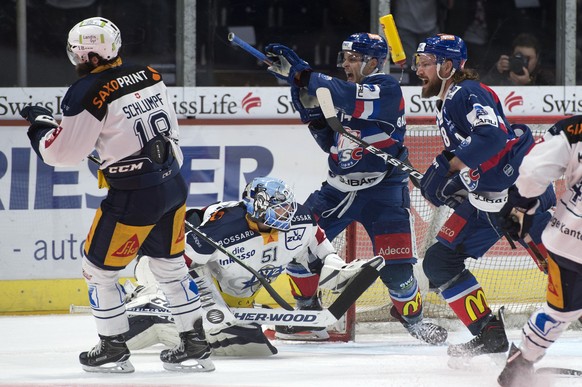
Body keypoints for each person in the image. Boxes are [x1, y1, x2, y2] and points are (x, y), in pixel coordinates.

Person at [19, 17, 213, 373]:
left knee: (98, 272)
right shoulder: (149, 74)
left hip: (134, 196)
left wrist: (40, 127)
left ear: (88, 55)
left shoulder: (86, 91)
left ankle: (112, 348)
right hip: (173, 184)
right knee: (170, 267)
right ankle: (195, 343)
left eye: (77, 52)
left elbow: (61, 153)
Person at [262, 33, 448, 345]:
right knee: (295, 241)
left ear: (373, 62)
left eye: (353, 58)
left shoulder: (386, 88)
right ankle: (307, 314)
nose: (345, 64)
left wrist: (302, 73)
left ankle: (413, 320)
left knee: (398, 272)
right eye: (344, 58)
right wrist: (313, 115)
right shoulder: (341, 93)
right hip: (335, 192)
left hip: (384, 193)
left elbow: (346, 95)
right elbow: (330, 142)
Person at [412, 33, 556, 361]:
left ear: (447, 66)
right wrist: (458, 181)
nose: (418, 71)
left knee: (564, 271)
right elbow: (482, 155)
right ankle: (488, 334)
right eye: (417, 64)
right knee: (439, 262)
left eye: (425, 64)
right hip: (488, 204)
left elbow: (492, 137)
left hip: (521, 196)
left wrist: (447, 165)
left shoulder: (466, 92)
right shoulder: (451, 97)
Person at [122, 176, 382, 354]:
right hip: (184, 279)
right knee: (138, 330)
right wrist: (208, 301)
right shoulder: (221, 229)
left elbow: (317, 245)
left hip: (237, 298)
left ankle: (304, 308)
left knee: (253, 348)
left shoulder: (300, 219)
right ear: (256, 209)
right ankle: (149, 303)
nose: (287, 214)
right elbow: (173, 266)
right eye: (279, 209)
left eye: (287, 207)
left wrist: (335, 266)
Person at [496, 115, 582, 386]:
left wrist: (521, 205)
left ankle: (521, 362)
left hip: (569, 238)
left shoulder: (575, 128)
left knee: (559, 311)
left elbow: (534, 171)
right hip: (570, 240)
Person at [482, 33, 555, 86]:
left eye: (528, 58)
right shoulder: (503, 72)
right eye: (519, 56)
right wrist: (496, 71)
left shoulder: (544, 76)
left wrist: (528, 84)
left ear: (537, 58)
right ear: (511, 55)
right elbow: (481, 92)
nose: (522, 61)